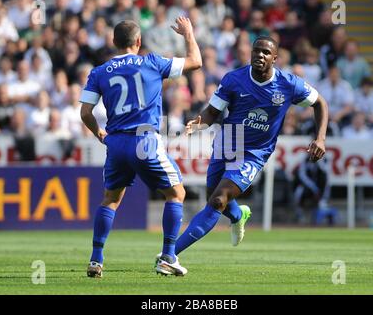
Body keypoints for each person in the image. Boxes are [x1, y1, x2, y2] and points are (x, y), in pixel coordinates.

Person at [169, 36, 328, 269]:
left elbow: (320, 103)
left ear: (275, 58)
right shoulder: (234, 79)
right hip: (226, 144)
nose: (260, 55)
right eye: (257, 51)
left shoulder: (288, 84)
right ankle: (238, 216)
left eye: (265, 52)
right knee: (214, 196)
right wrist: (198, 123)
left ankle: (170, 255)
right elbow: (213, 111)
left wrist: (320, 138)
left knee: (217, 200)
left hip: (255, 152)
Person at [79, 18, 202, 278]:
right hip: (145, 139)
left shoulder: (100, 71)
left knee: (110, 200)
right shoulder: (152, 63)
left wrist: (99, 132)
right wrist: (189, 34)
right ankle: (168, 256)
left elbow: (85, 112)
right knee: (176, 193)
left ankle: (96, 259)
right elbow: (196, 61)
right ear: (138, 42)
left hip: (116, 142)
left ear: (114, 42)